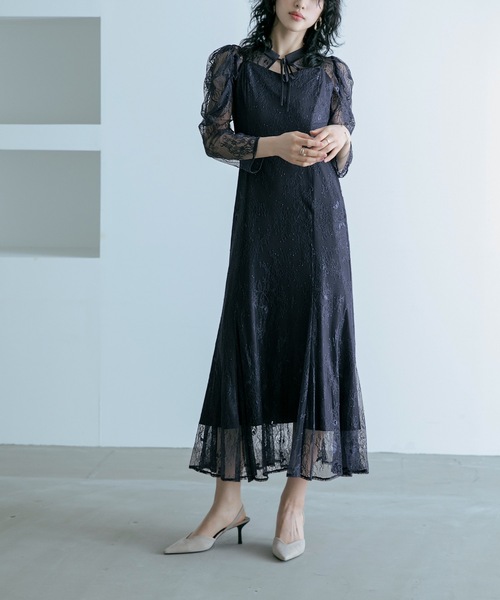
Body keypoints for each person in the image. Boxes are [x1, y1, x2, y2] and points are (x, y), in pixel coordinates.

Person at [164, 0, 369, 561]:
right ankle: (226, 503)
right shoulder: (232, 63)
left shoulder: (332, 73)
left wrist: (342, 137)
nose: (304, 3)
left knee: (312, 347)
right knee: (243, 343)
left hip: (319, 227)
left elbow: (343, 154)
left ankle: (293, 505)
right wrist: (273, 144)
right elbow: (213, 137)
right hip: (259, 225)